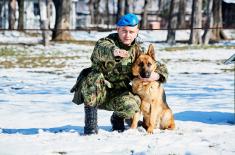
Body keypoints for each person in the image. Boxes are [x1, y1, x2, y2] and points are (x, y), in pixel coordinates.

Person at [71, 13, 168, 135]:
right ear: (118, 29)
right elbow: (101, 49)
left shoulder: (138, 50)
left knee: (134, 103)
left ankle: (117, 118)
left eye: (131, 32)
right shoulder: (106, 42)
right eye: (124, 31)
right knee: (92, 77)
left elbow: (158, 65)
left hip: (118, 93)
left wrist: (157, 75)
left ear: (137, 31)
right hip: (99, 92)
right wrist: (114, 52)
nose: (127, 35)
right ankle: (91, 125)